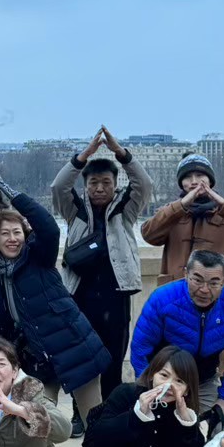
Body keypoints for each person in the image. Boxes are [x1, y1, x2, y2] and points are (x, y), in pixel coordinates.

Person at [0, 176, 109, 439]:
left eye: (17, 232)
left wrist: (15, 197)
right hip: (38, 359)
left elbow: (49, 228)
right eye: (5, 234)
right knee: (36, 427)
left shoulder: (38, 257)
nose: (12, 239)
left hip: (75, 348)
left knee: (96, 428)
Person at [51, 126, 155, 401]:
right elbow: (58, 187)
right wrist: (83, 155)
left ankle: (110, 408)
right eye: (93, 183)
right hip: (80, 296)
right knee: (81, 356)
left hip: (115, 296)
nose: (99, 188)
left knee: (113, 355)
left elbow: (144, 185)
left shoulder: (125, 209)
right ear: (85, 186)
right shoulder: (75, 210)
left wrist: (121, 153)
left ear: (115, 184)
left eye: (106, 183)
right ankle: (80, 412)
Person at [129, 250, 224, 419]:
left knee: (215, 425)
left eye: (214, 283)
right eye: (197, 280)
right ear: (186, 274)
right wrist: (147, 386)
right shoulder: (162, 299)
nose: (204, 290)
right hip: (164, 379)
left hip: (204, 381)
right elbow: (140, 348)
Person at [141, 153, 224, 288]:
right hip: (175, 291)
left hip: (216, 292)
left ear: (210, 180)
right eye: (187, 177)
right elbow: (149, 235)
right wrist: (180, 206)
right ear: (181, 183)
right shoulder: (171, 212)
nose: (194, 181)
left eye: (200, 175)